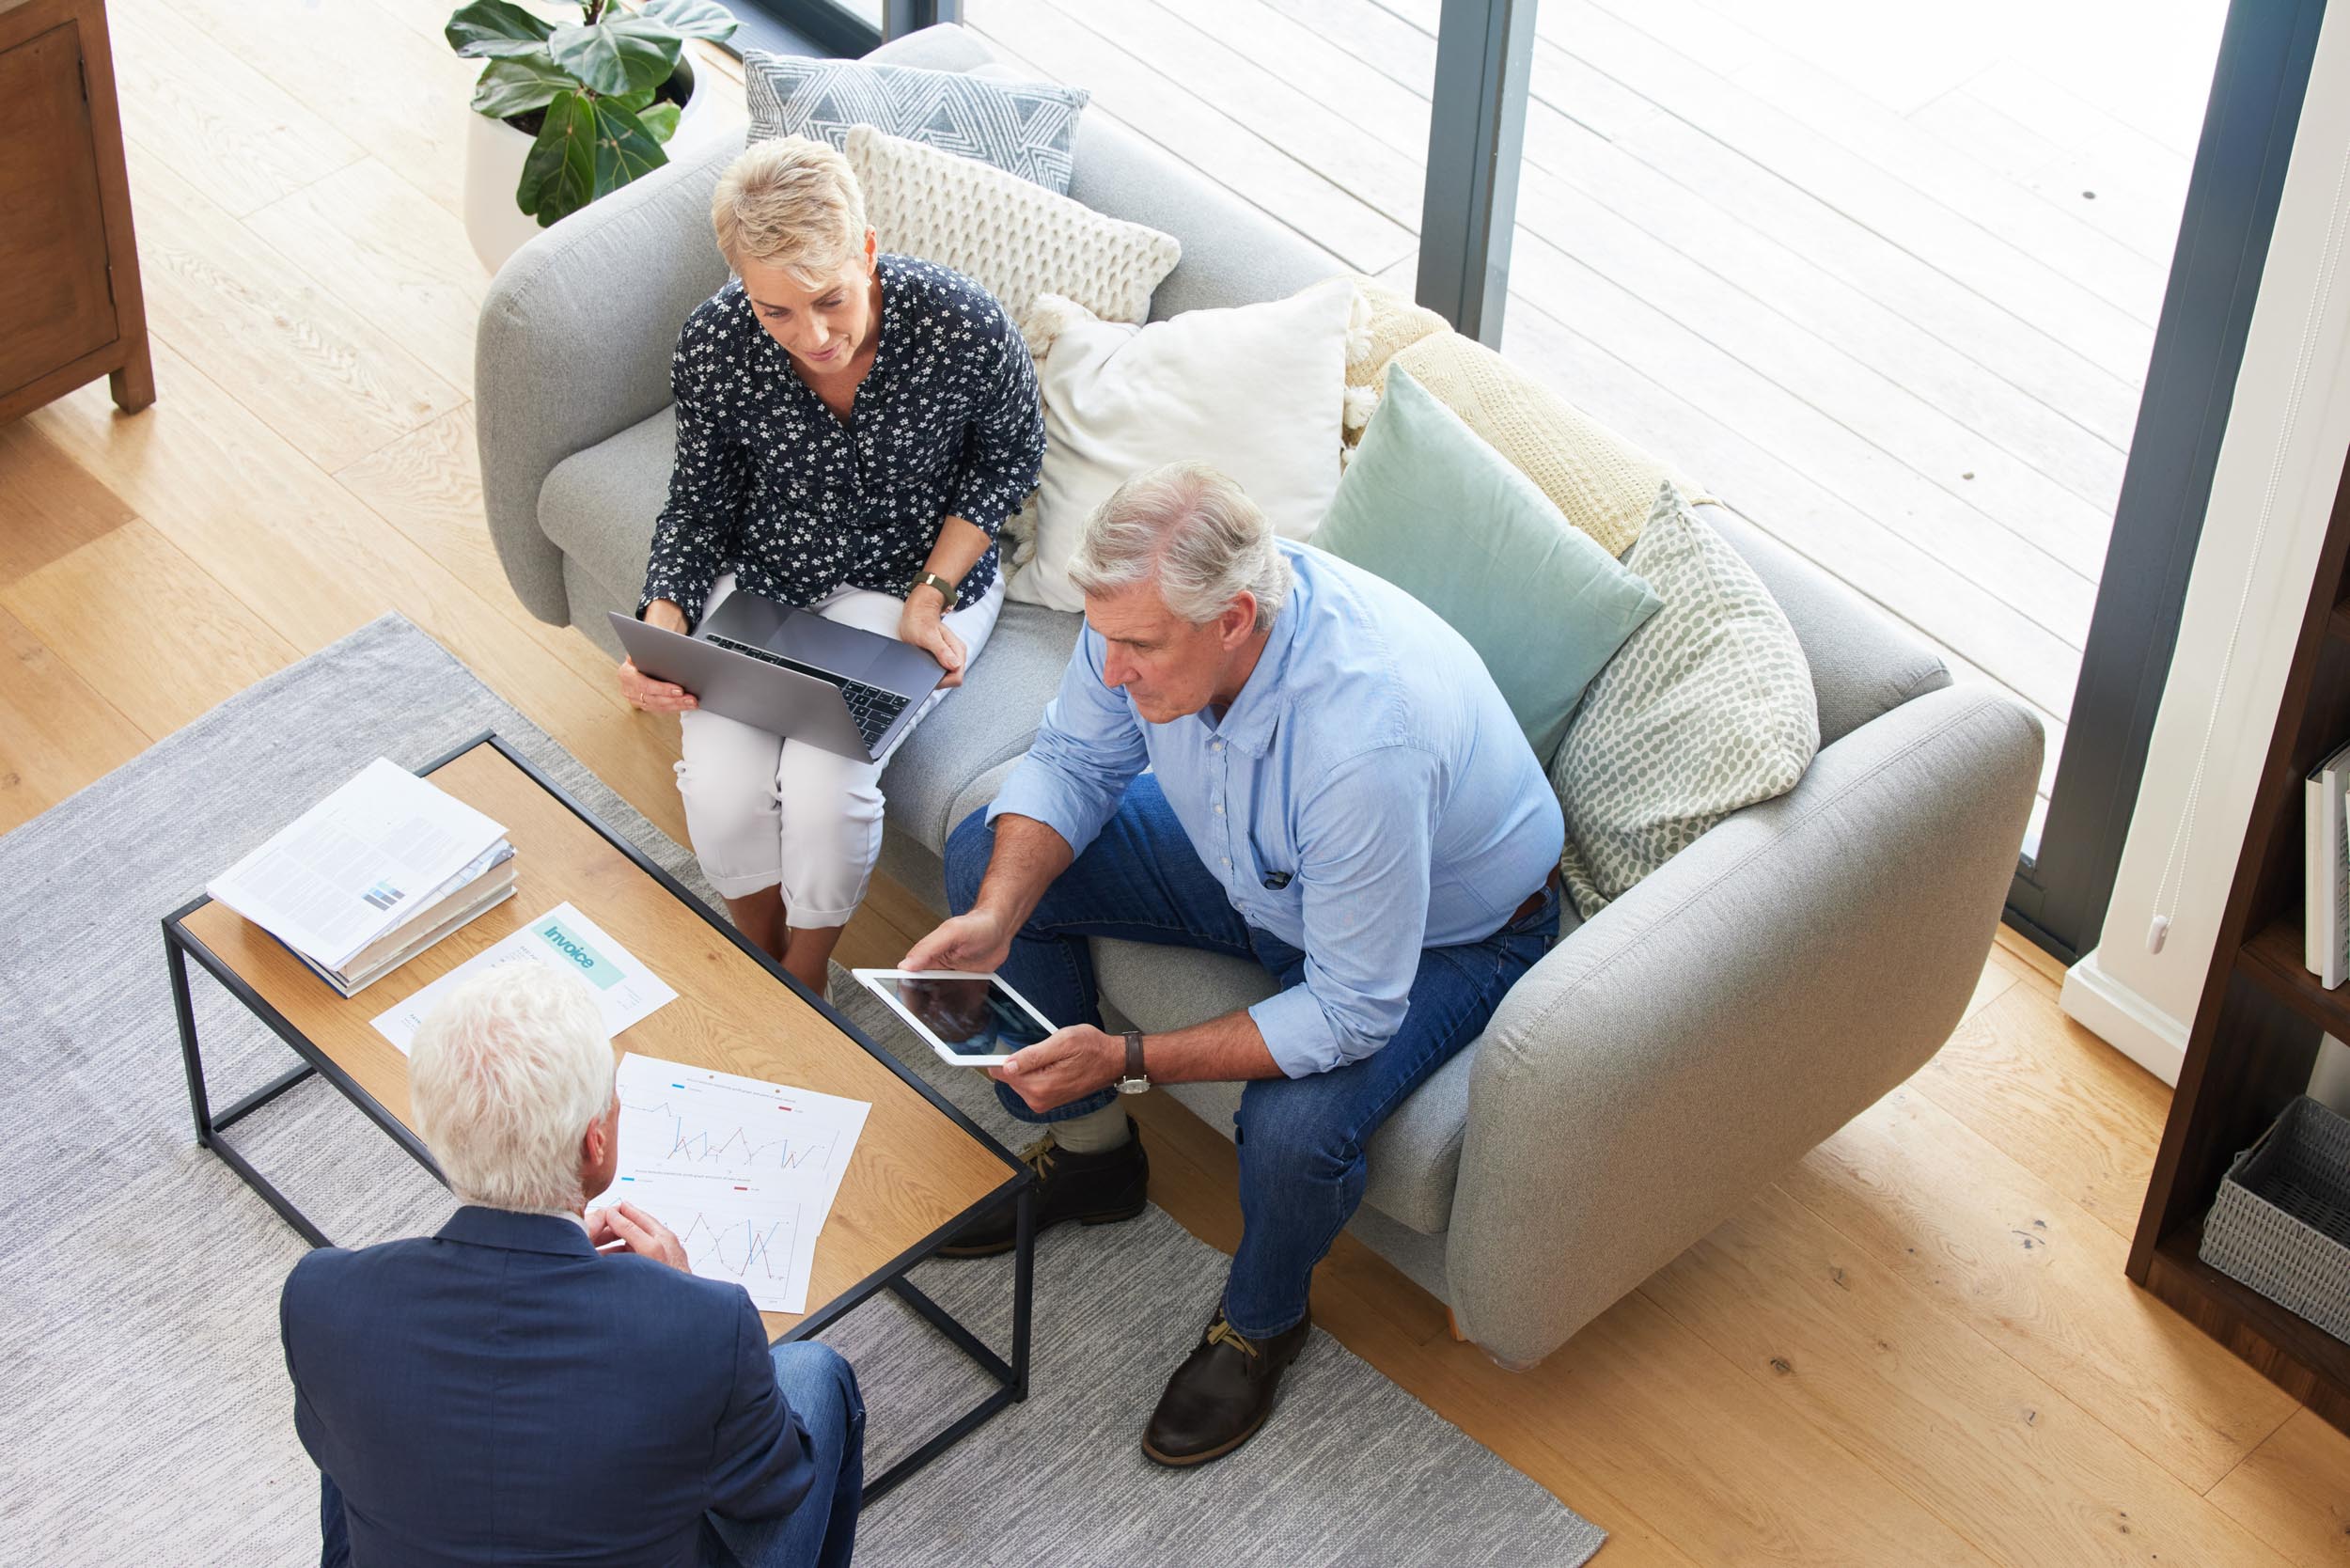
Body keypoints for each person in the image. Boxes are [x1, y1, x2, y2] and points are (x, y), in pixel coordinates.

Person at [902, 462, 1565, 1467]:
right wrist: (996, 913)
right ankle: (1094, 1162)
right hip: (1260, 866)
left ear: (1234, 619)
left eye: (1138, 649)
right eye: (1103, 638)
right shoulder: (1143, 619)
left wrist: (1126, 1056)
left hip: (1449, 931)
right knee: (983, 857)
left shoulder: (1359, 746)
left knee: (1293, 1128)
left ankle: (1261, 1324)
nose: (1111, 668)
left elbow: (1349, 1010)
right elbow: (1077, 761)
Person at [621, 135, 1046, 993]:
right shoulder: (716, 343)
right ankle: (760, 955)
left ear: (868, 251)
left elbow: (1009, 459)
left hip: (915, 578)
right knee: (719, 782)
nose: (810, 336)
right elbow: (699, 499)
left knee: (827, 786)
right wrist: (663, 623)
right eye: (776, 312)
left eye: (829, 300)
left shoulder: (961, 324)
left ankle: (802, 981)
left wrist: (931, 595)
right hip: (771, 576)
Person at [279, 964, 863, 1568]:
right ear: (596, 1143)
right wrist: (684, 1297)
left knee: (350, 1417)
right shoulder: (706, 1324)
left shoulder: (321, 1297)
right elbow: (775, 1487)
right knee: (814, 1371)